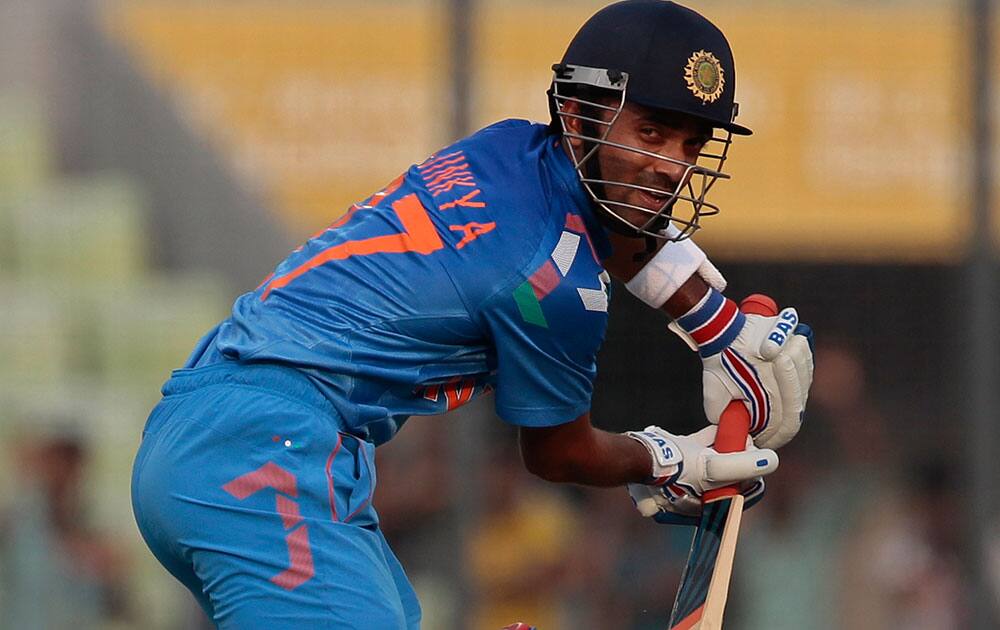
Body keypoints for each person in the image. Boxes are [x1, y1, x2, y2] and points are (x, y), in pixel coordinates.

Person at [130, 1, 814, 628]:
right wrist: (674, 460)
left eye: (692, 144)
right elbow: (558, 453)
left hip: (223, 434)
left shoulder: (507, 149)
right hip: (264, 459)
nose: (671, 167)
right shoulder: (552, 283)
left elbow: (614, 228)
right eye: (653, 132)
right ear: (578, 116)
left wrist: (717, 327)